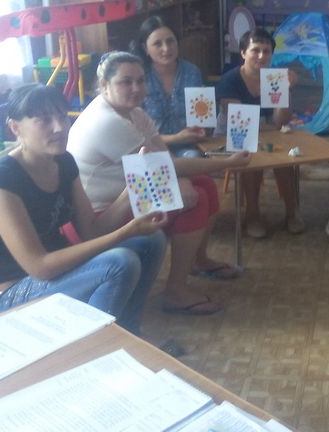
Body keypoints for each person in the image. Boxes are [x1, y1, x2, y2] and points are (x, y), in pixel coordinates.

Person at [68, 51, 252, 315]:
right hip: (105, 213)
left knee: (205, 185)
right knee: (195, 199)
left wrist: (181, 176)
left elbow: (163, 159)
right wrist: (228, 162)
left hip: (131, 192)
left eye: (141, 80)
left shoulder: (133, 112)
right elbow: (167, 166)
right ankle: (176, 291)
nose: (136, 88)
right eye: (126, 82)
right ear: (104, 85)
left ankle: (198, 260)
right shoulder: (107, 120)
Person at [0, 85, 167, 334]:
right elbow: (39, 267)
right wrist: (125, 232)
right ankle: (94, 347)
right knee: (119, 263)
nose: (59, 127)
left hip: (57, 270)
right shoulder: (0, 182)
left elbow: (91, 231)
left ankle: (128, 333)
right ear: (15, 127)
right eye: (44, 120)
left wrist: (134, 186)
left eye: (62, 117)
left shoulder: (63, 161)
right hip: (10, 290)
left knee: (152, 240)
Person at [215, 28, 303, 238]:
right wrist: (270, 126)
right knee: (250, 158)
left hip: (263, 132)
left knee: (285, 158)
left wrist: (285, 90)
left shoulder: (274, 78)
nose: (262, 56)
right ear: (243, 53)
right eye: (256, 50)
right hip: (230, 135)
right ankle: (252, 215)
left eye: (267, 51)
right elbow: (239, 122)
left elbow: (281, 121)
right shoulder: (230, 80)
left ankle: (292, 213)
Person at [131, 15, 206, 158]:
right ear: (145, 48)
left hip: (189, 148)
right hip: (150, 150)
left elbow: (201, 120)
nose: (166, 48)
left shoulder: (192, 72)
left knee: (192, 157)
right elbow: (135, 134)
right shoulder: (139, 78)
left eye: (170, 41)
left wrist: (202, 125)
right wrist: (177, 138)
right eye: (157, 44)